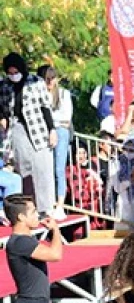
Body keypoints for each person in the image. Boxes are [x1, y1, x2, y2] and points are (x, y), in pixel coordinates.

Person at [1, 53, 57, 211]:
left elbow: (45, 107)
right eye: (10, 73)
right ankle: (27, 208)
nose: (13, 76)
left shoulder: (35, 82)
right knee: (23, 171)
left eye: (15, 72)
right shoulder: (4, 85)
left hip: (38, 129)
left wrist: (52, 130)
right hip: (16, 128)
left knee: (42, 170)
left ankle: (45, 208)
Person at [36, 66, 71, 209]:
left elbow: (66, 118)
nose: (50, 82)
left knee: (59, 169)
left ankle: (60, 204)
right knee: (45, 168)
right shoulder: (38, 95)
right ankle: (47, 201)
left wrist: (52, 123)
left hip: (61, 131)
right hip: (43, 132)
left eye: (52, 78)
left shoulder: (64, 94)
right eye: (47, 79)